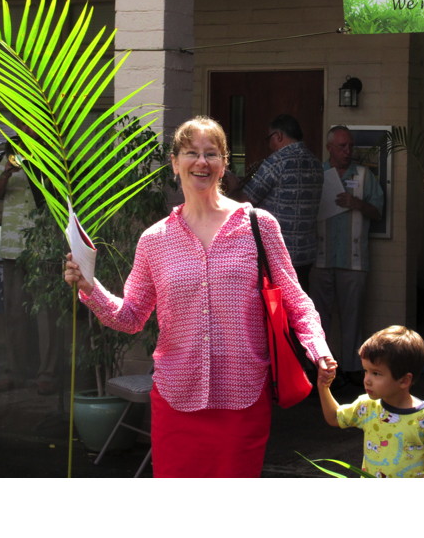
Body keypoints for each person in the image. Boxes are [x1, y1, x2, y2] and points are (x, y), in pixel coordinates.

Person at [63, 115, 334, 478]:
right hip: (177, 397)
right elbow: (130, 318)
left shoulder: (259, 226)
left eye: (211, 153)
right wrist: (89, 287)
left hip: (243, 396)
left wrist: (318, 349)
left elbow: (295, 300)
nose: (201, 162)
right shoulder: (154, 240)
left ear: (224, 165)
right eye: (191, 152)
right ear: (175, 163)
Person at [316, 325, 424, 478]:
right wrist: (324, 388)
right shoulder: (367, 406)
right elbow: (335, 417)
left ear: (404, 380)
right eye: (365, 371)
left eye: (376, 373)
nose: (367, 380)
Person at [0, 127, 58, 396]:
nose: (25, 130)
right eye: (22, 126)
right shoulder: (10, 157)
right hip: (12, 246)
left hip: (43, 246)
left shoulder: (54, 155)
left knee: (46, 315)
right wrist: (4, 171)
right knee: (14, 312)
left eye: (30, 126)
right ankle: (14, 372)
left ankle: (46, 374)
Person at [310, 125, 383, 383]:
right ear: (329, 147)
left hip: (353, 260)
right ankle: (323, 371)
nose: (348, 151)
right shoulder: (317, 174)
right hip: (320, 257)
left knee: (353, 318)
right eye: (342, 146)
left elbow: (379, 212)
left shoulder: (364, 175)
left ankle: (353, 371)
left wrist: (357, 204)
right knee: (319, 319)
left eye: (350, 146)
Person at [235, 114, 323, 291]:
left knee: (277, 309)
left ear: (279, 136)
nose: (270, 145)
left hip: (277, 253)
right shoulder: (316, 163)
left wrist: (234, 185)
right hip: (306, 253)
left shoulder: (277, 161)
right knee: (300, 303)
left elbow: (246, 200)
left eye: (270, 139)